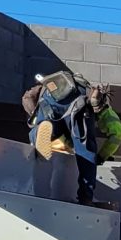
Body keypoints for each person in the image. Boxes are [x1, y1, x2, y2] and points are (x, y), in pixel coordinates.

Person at [28, 70, 101, 206]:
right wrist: (101, 157)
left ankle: (39, 130)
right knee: (85, 151)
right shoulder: (89, 93)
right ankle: (85, 196)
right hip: (78, 99)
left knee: (49, 127)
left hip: (50, 94)